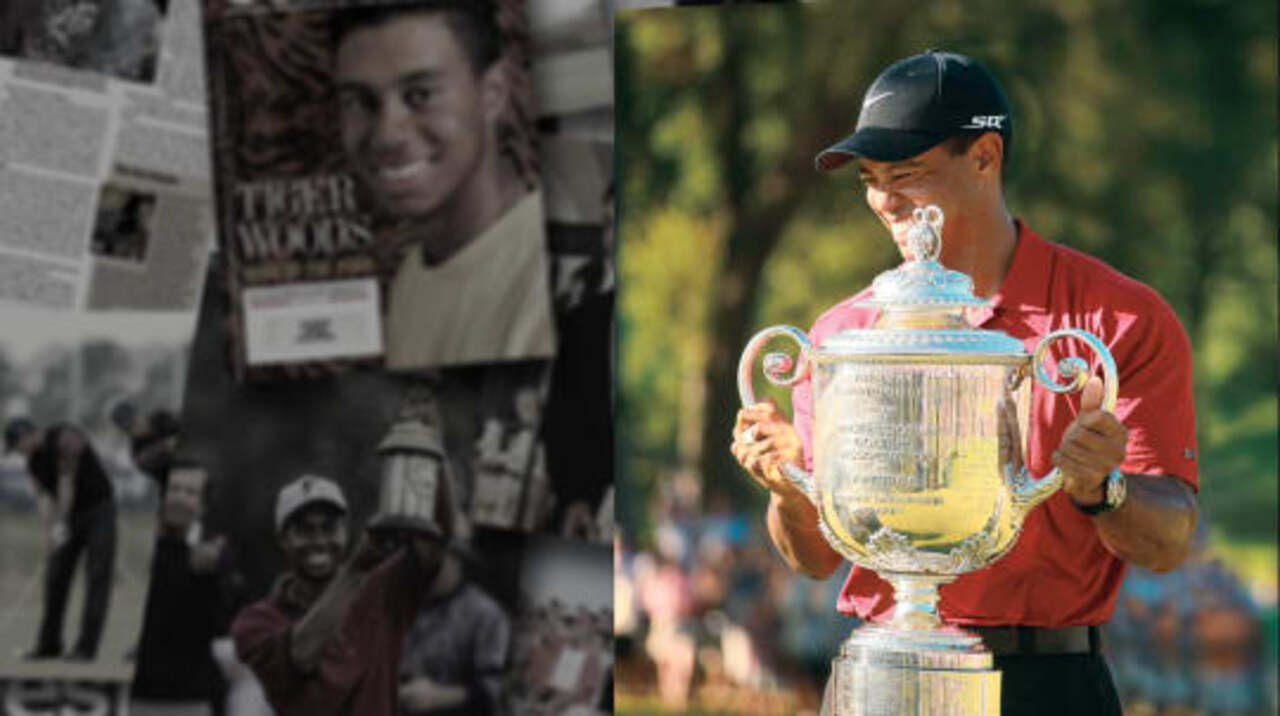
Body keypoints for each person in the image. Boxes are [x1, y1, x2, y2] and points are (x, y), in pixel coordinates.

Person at [730, 50, 1200, 716]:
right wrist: (788, 487)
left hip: (1048, 686)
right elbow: (811, 558)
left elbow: (1168, 541)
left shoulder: (1117, 319)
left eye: (907, 174)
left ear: (985, 156)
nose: (884, 201)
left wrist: (1104, 490)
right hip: (878, 672)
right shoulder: (844, 336)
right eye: (870, 178)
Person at [332, 1, 555, 370]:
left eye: (420, 96)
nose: (387, 135)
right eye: (359, 102)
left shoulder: (545, 276)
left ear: (493, 94)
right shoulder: (412, 279)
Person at [230, 473, 453, 716]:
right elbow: (301, 654)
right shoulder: (255, 623)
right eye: (305, 530)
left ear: (345, 532)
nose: (319, 540)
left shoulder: (382, 590)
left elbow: (437, 537)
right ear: (283, 539)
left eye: (329, 527)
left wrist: (434, 454)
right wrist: (355, 569)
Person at [4, 418, 118, 661]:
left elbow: (67, 482)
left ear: (27, 434)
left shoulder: (65, 436)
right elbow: (44, 498)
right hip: (71, 516)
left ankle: (86, 649)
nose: (19, 452)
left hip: (99, 511)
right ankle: (49, 645)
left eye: (17, 445)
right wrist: (51, 532)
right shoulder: (33, 462)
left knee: (97, 577)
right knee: (55, 577)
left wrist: (62, 522)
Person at [130, 459, 231, 716]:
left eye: (190, 492)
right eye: (174, 489)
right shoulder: (138, 551)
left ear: (202, 506)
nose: (179, 498)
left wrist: (211, 578)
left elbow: (218, 629)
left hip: (187, 701)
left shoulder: (206, 564)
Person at [394, 537, 510, 716]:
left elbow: (491, 691)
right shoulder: (408, 601)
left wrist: (437, 697)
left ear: (455, 562)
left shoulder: (486, 615)